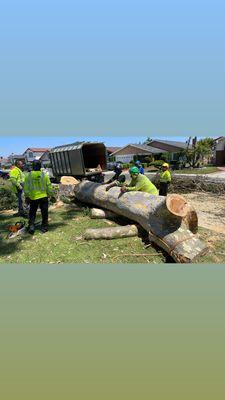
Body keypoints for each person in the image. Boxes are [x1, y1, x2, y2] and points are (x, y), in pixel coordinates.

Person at [24, 160, 55, 234]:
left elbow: (26, 188)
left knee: (32, 213)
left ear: (33, 167)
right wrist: (51, 195)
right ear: (40, 166)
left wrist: (27, 197)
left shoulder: (28, 175)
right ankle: (44, 227)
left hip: (33, 198)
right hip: (44, 197)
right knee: (44, 213)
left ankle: (31, 226)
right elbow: (49, 187)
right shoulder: (44, 175)